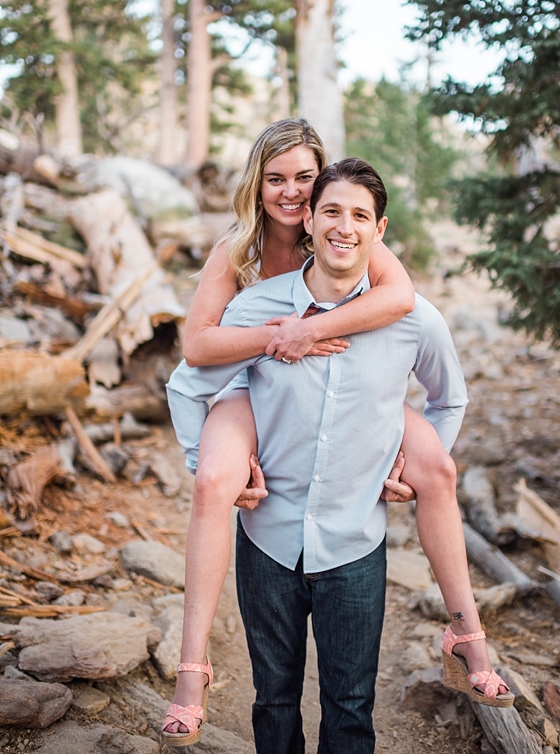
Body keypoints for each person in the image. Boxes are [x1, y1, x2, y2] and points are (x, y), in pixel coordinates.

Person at [160, 126, 512, 746]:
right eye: (277, 179)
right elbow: (195, 355)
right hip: (254, 383)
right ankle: (193, 670)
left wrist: (319, 331)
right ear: (260, 187)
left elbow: (406, 307)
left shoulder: (368, 256)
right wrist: (281, 335)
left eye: (305, 179)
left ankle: (467, 633)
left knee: (436, 468)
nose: (292, 193)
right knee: (214, 479)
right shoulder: (239, 255)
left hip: (353, 496)